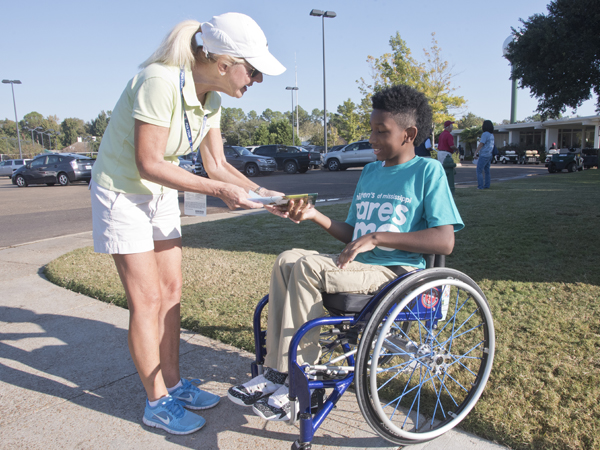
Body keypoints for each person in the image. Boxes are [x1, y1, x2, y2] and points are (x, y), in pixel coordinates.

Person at [90, 13, 286, 435]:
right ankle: (156, 402)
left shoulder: (210, 98)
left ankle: (174, 384)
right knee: (147, 300)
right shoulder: (159, 81)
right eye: (252, 70)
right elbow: (148, 161)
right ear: (222, 62)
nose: (257, 80)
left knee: (172, 291)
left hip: (159, 191)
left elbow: (217, 164)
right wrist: (219, 193)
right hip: (122, 192)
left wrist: (266, 196)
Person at [227, 85, 464, 421]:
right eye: (372, 129)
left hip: (394, 273)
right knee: (287, 259)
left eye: (382, 132)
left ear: (409, 134)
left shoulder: (427, 171)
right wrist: (315, 216)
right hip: (358, 267)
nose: (372, 138)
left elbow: (445, 241)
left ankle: (301, 378)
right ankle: (276, 373)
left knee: (307, 267)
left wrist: (380, 238)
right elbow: (354, 233)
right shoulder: (369, 172)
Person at [474, 120, 495, 189]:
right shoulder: (491, 135)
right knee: (487, 171)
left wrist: (476, 152)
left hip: (484, 155)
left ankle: (480, 186)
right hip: (489, 154)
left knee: (479, 171)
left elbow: (481, 144)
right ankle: (487, 185)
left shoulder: (485, 134)